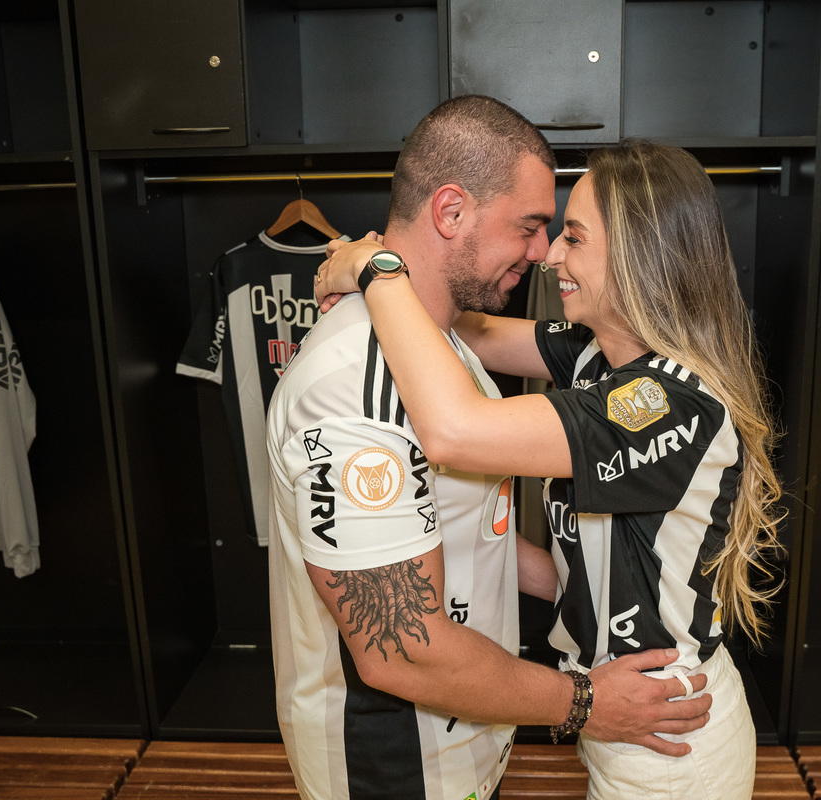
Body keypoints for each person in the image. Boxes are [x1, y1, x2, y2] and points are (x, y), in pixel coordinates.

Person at [266, 99, 712, 800]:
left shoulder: (445, 349)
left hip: (472, 742)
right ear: (450, 212)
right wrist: (584, 702)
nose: (544, 253)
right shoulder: (359, 387)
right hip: (397, 767)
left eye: (566, 235)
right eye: (531, 227)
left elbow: (473, 520)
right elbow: (400, 649)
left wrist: (374, 266)